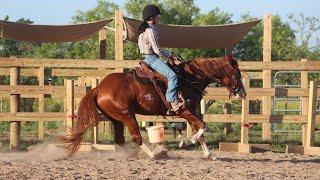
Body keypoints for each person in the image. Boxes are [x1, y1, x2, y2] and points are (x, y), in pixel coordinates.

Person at [138, 4, 184, 112]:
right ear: (151, 17)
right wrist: (170, 55)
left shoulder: (144, 29)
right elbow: (157, 50)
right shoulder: (150, 30)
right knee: (172, 76)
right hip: (151, 59)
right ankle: (172, 100)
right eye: (157, 16)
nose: (159, 17)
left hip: (146, 57)